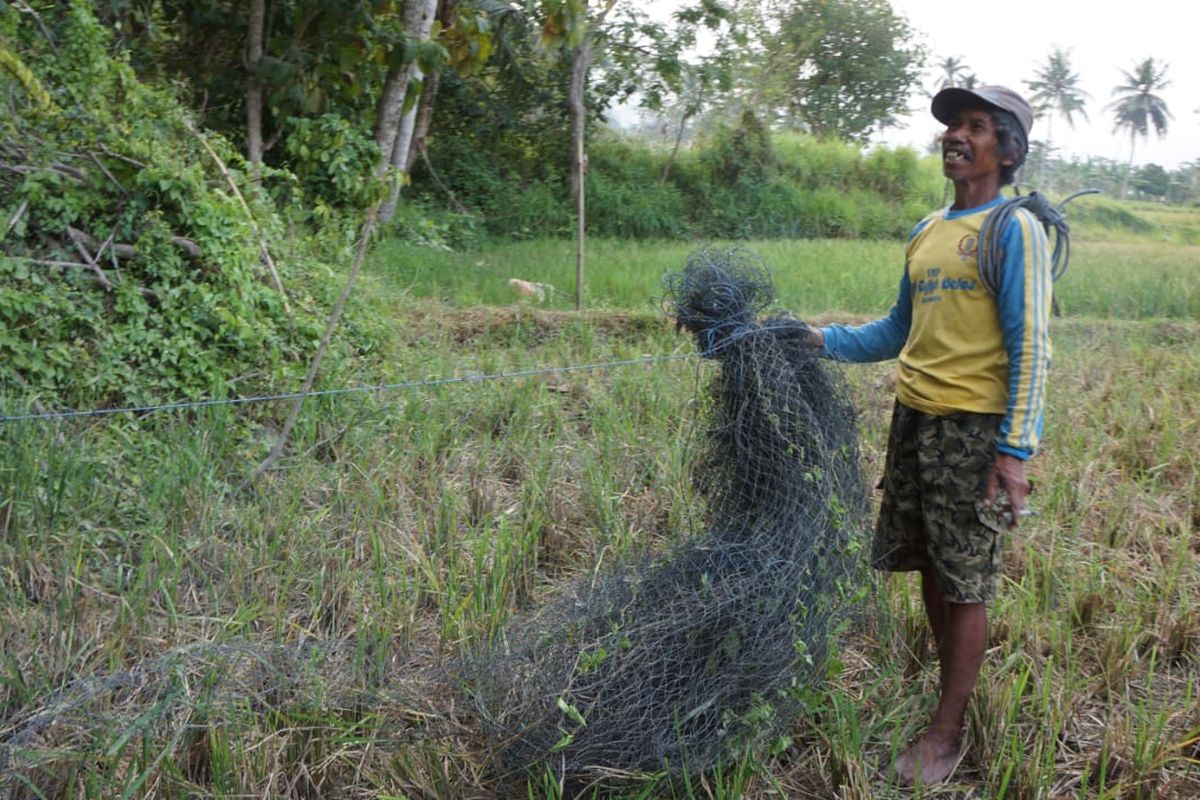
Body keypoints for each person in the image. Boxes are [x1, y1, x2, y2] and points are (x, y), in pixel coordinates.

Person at [807, 85, 1051, 785]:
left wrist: (1014, 453)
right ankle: (948, 687)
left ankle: (947, 733)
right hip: (915, 421)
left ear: (1006, 151)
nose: (957, 136)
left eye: (976, 127)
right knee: (930, 568)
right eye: (952, 125)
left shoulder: (1012, 229)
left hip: (973, 433)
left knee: (965, 580)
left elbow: (1031, 346)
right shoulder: (927, 229)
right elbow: (895, 329)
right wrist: (820, 339)